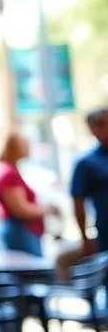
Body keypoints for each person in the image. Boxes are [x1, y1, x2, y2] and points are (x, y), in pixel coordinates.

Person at [0, 131, 58, 256]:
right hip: (21, 232)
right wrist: (48, 209)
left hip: (24, 231)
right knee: (31, 267)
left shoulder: (11, 171)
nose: (28, 148)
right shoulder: (8, 174)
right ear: (13, 147)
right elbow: (21, 210)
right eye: (24, 144)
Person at [71, 107, 108, 257]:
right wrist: (85, 238)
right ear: (91, 128)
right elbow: (78, 202)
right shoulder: (87, 164)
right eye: (100, 124)